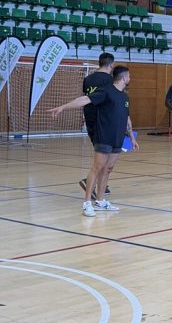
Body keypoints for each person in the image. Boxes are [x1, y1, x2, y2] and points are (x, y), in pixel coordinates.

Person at [50, 65, 136, 216]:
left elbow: (126, 119)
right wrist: (63, 107)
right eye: (129, 76)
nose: (130, 78)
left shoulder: (124, 97)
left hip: (117, 138)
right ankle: (87, 203)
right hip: (104, 136)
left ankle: (100, 201)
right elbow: (85, 99)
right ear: (123, 78)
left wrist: (132, 138)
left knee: (108, 169)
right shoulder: (106, 91)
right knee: (97, 168)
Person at [80, 52, 114, 199]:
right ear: (111, 64)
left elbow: (87, 99)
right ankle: (92, 184)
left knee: (101, 155)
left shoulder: (88, 79)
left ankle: (100, 186)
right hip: (104, 122)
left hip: (90, 120)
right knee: (105, 157)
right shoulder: (110, 80)